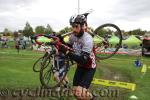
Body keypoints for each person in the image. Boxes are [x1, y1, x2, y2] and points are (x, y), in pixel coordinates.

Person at [58, 13, 96, 100]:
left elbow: (83, 60)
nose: (74, 29)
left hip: (89, 67)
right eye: (72, 26)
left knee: (79, 93)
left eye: (76, 26)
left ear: (83, 26)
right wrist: (61, 41)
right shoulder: (72, 37)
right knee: (75, 92)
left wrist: (66, 52)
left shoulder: (88, 39)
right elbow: (70, 47)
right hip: (80, 67)